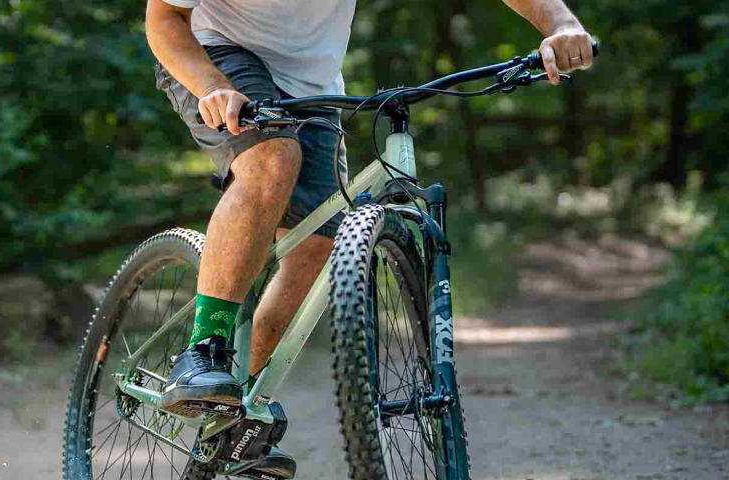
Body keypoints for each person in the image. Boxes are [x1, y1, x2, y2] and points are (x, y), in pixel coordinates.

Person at [147, 0, 594, 424]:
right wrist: (212, 87)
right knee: (272, 161)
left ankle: (237, 404)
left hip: (312, 88)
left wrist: (561, 25)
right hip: (216, 54)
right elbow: (164, 18)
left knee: (321, 243)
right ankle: (204, 349)